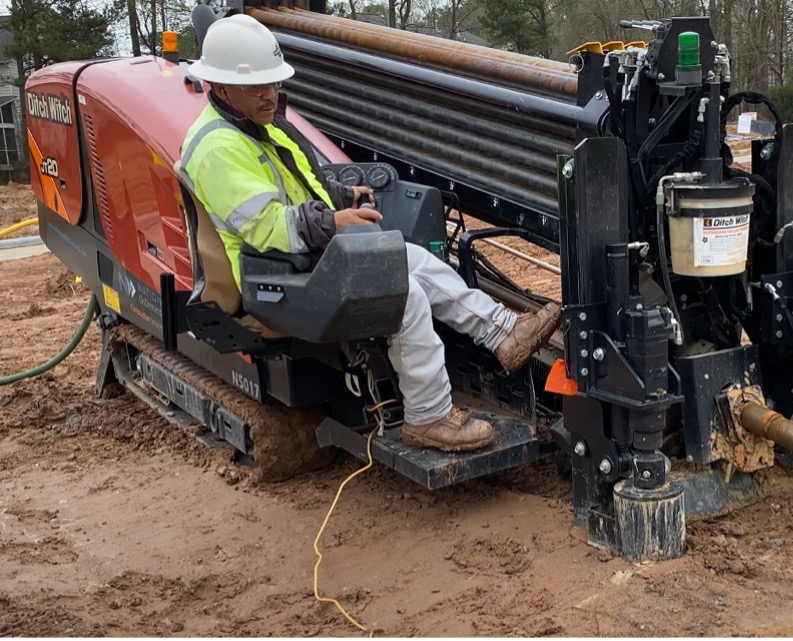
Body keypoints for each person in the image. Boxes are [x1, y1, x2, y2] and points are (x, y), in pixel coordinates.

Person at [179, 13, 560, 453]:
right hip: (273, 279)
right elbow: (269, 227)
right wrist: (334, 222)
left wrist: (341, 195)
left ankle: (503, 333)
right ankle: (428, 417)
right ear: (221, 87)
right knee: (403, 295)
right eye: (258, 87)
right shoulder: (217, 149)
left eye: (275, 83)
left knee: (410, 258)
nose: (271, 94)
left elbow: (298, 184)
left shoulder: (253, 126)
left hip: (300, 262)